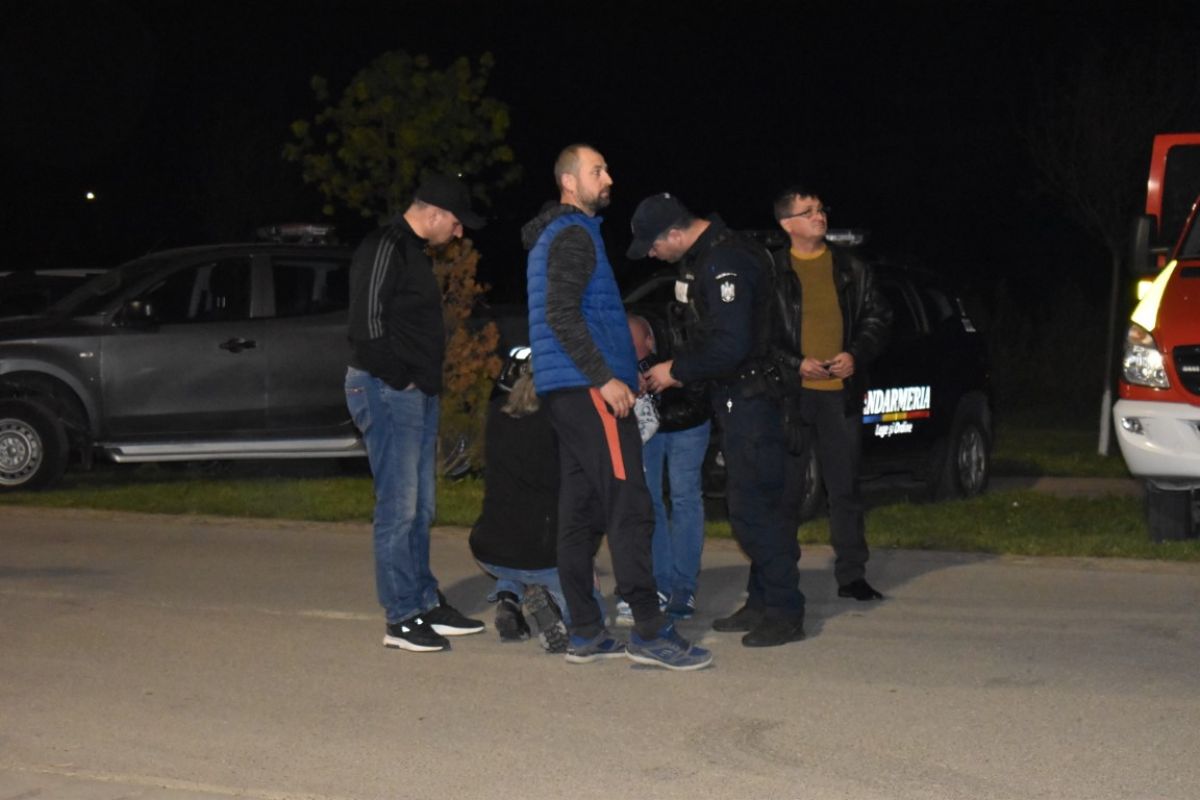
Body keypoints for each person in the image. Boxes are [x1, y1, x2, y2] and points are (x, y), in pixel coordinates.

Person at [521, 144, 711, 671]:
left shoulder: (558, 235)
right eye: (597, 171)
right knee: (630, 505)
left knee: (581, 511)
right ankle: (650, 631)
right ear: (568, 182)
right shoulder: (573, 235)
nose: (608, 178)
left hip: (568, 390)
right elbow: (562, 314)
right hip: (588, 389)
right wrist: (604, 379)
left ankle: (585, 630)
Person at [634, 192, 805, 648]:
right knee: (759, 503)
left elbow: (731, 345)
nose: (652, 255)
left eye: (653, 245)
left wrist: (676, 370)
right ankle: (762, 601)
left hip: (753, 399)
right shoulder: (717, 254)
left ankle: (785, 610)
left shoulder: (723, 261)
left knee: (752, 510)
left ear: (674, 233)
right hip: (746, 396)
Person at [344, 173, 487, 653]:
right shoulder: (384, 246)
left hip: (414, 392)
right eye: (457, 222)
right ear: (435, 212)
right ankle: (401, 618)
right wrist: (400, 378)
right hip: (386, 390)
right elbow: (365, 327)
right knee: (398, 509)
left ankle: (424, 602)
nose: (459, 232)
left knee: (421, 508)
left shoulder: (413, 251)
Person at [771, 186, 892, 601]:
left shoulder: (851, 268)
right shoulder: (772, 272)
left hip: (839, 395)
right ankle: (779, 575)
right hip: (792, 396)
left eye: (821, 209)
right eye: (808, 212)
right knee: (786, 490)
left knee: (845, 488)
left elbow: (878, 317)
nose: (819, 217)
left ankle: (852, 575)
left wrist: (855, 354)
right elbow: (759, 335)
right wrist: (794, 363)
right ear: (787, 224)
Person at [467, 348, 605, 654]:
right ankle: (556, 608)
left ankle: (508, 596)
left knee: (518, 532)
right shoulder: (563, 422)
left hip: (490, 548)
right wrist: (586, 557)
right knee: (592, 616)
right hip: (543, 553)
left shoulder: (497, 414)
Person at [625, 313, 711, 623]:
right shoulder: (630, 354)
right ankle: (660, 582)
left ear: (650, 340)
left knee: (684, 498)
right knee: (649, 502)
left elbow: (702, 386)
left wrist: (671, 381)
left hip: (689, 422)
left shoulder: (682, 341)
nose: (629, 354)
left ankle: (684, 586)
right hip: (652, 427)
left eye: (633, 346)